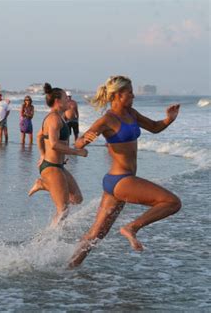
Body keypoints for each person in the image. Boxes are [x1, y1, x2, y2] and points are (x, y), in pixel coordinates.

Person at [68, 75, 181, 268]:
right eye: (130, 92)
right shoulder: (107, 119)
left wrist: (169, 119)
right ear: (119, 95)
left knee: (96, 234)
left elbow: (154, 127)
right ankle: (131, 227)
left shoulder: (131, 113)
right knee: (172, 202)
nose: (133, 95)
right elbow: (80, 142)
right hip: (121, 179)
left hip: (117, 183)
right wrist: (87, 140)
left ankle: (68, 269)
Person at [28, 84, 87, 227]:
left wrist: (42, 154)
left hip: (59, 166)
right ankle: (50, 238)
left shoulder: (60, 118)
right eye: (65, 98)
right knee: (63, 209)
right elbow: (54, 144)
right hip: (51, 167)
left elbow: (39, 136)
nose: (69, 101)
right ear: (57, 101)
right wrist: (76, 152)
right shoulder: (53, 119)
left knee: (77, 198)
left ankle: (44, 184)